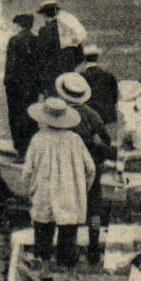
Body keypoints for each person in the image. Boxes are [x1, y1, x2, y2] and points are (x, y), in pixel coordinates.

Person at [21, 97, 97, 275]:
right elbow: (91, 168)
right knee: (69, 230)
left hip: (44, 190)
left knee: (43, 227)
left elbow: (27, 171)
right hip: (69, 191)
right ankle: (71, 270)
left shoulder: (38, 140)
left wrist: (29, 191)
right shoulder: (75, 139)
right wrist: (83, 188)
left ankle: (45, 267)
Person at [56, 72, 115, 267]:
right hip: (93, 168)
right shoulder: (92, 115)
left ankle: (66, 252)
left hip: (68, 168)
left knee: (68, 207)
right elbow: (107, 145)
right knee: (94, 207)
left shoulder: (58, 116)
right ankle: (93, 250)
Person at [3, 12, 41, 156]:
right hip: (32, 86)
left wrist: (7, 82)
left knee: (16, 116)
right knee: (32, 116)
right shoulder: (37, 40)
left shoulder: (14, 40)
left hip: (16, 86)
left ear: (19, 25)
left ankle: (21, 150)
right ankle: (33, 149)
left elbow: (10, 65)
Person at [36, 0, 87, 83]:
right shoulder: (70, 30)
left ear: (44, 14)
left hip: (51, 76)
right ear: (57, 12)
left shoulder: (44, 31)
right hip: (69, 74)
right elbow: (80, 56)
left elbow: (41, 56)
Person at [77, 45, 120, 143]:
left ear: (84, 59)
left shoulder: (81, 76)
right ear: (97, 58)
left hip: (88, 115)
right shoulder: (108, 75)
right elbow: (115, 97)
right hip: (106, 115)